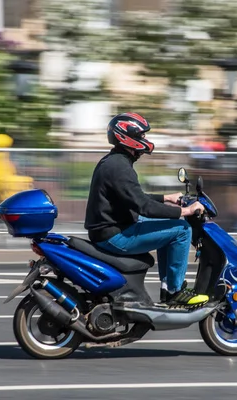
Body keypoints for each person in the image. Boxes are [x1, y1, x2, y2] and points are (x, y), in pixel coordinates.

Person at [84, 112, 208, 308]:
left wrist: (166, 198)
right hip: (115, 235)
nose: (144, 140)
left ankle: (168, 289)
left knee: (168, 226)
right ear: (127, 137)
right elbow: (143, 207)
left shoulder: (115, 161)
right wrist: (186, 211)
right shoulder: (119, 167)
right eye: (141, 136)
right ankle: (176, 291)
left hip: (115, 227)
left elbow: (133, 198)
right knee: (182, 230)